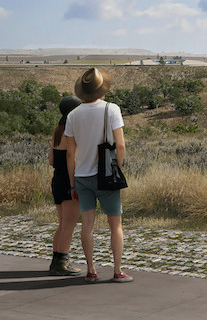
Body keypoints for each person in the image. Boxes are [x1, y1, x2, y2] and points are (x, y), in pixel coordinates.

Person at [65, 67, 132, 283]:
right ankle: (117, 270)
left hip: (82, 176)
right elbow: (120, 145)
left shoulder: (73, 115)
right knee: (116, 225)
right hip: (106, 174)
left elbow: (70, 153)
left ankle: (91, 269)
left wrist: (72, 183)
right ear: (102, 88)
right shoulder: (111, 109)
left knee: (87, 225)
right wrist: (116, 168)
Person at [47, 95, 83, 276]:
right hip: (69, 181)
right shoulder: (72, 130)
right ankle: (62, 262)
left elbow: (51, 160)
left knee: (62, 224)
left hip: (56, 179)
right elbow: (72, 158)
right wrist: (73, 184)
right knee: (69, 225)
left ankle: (56, 261)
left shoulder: (57, 129)